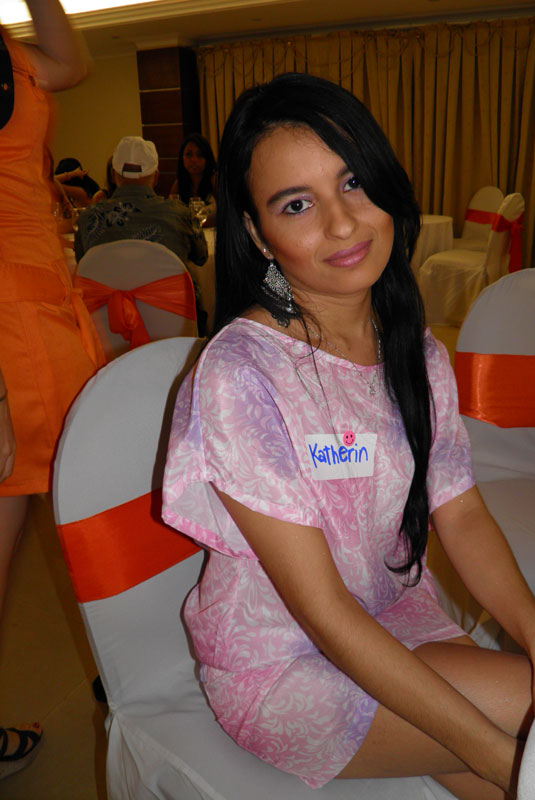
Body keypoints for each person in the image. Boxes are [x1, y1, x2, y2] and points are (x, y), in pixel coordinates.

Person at [162, 73, 535, 798]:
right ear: (256, 234)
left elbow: (461, 514)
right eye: (296, 204)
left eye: (352, 182)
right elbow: (322, 613)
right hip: (283, 665)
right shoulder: (242, 374)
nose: (344, 224)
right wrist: (498, 756)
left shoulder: (415, 350)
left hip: (392, 614)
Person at [0, 0, 105, 780]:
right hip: (9, 327)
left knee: (83, 514)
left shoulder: (12, 53)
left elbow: (73, 63)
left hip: (41, 308)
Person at [75, 136, 208, 270]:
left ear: (112, 175)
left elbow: (82, 262)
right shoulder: (182, 215)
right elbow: (201, 257)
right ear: (156, 177)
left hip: (105, 284)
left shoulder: (88, 219)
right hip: (167, 284)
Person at [170, 132, 217, 224]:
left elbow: (228, 213)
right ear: (182, 158)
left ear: (207, 158)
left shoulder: (215, 180)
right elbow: (171, 213)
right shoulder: (179, 183)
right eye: (188, 154)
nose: (194, 160)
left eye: (199, 155)